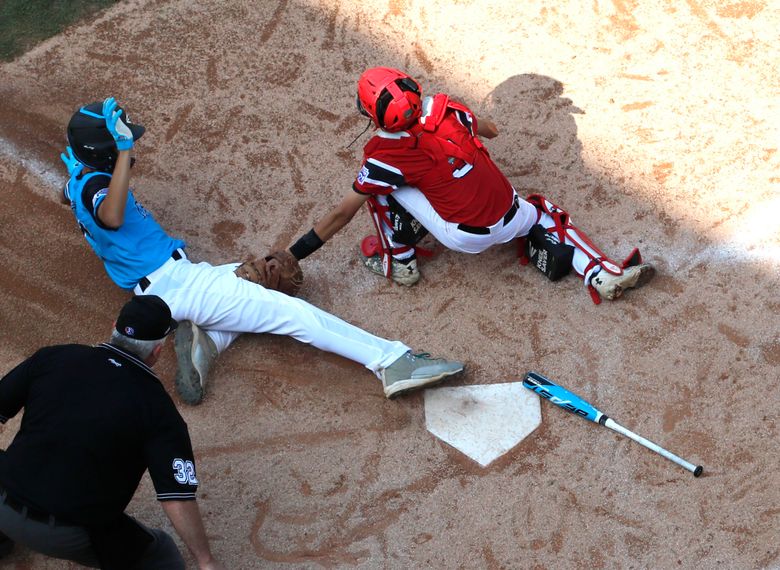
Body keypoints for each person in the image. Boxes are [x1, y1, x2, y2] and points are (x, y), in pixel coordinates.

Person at [60, 97, 463, 403]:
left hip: (177, 283)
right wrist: (124, 152)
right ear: (108, 152)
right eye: (123, 143)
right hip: (178, 285)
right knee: (291, 313)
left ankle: (208, 343)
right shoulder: (98, 188)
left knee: (260, 275)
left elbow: (71, 196)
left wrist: (85, 174)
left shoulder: (80, 180)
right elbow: (111, 217)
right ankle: (392, 361)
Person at [286, 67, 655, 304]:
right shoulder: (447, 109)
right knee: (545, 213)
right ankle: (601, 273)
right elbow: (490, 130)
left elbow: (340, 214)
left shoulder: (385, 154)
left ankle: (399, 262)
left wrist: (294, 253)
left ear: (371, 115)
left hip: (464, 237)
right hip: (513, 215)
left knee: (376, 187)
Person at [0, 295, 224, 569]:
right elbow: (176, 498)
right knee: (160, 552)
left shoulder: (53, 357)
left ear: (114, 326)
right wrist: (206, 560)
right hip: (66, 534)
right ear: (157, 352)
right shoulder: (158, 409)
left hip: (2, 500)